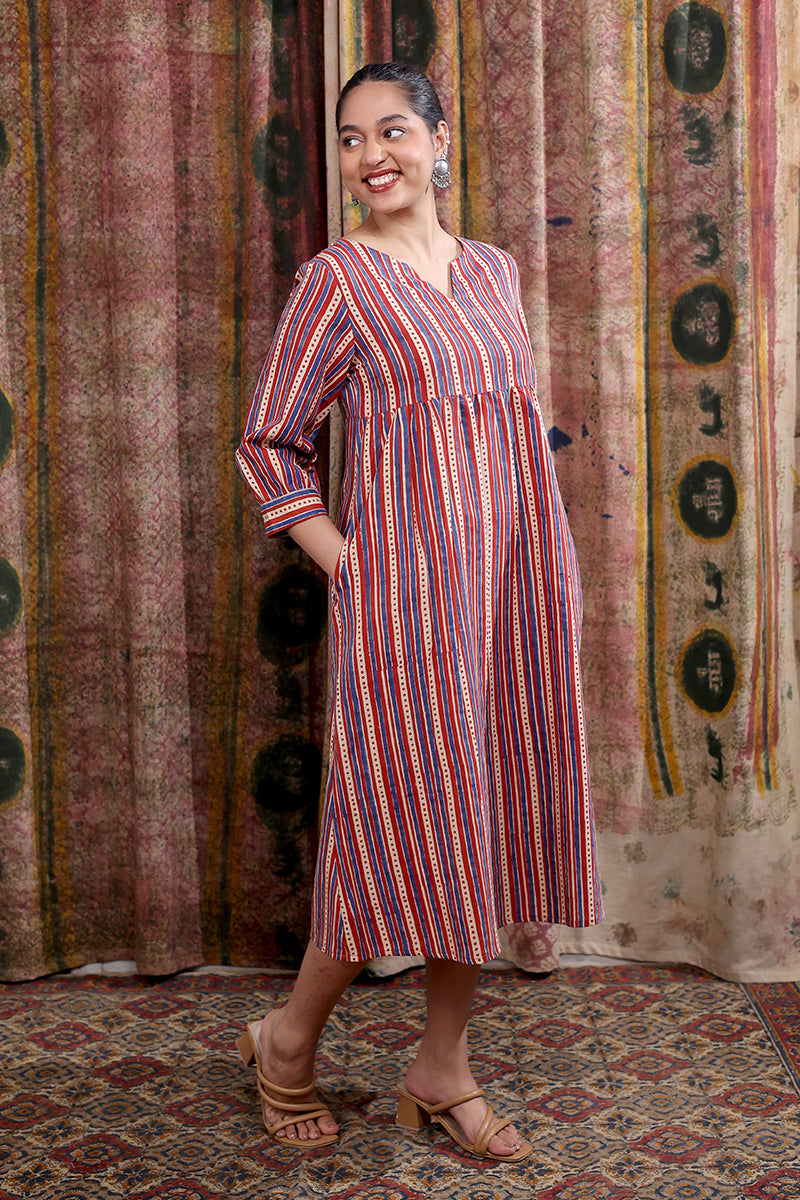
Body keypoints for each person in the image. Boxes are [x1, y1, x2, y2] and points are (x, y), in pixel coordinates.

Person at [235, 61, 602, 1162]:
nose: (370, 156)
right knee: (390, 828)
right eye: (351, 140)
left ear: (440, 142)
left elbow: (509, 431)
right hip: (405, 598)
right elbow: (269, 441)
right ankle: (287, 1042)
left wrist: (542, 566)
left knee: (479, 820)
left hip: (514, 589)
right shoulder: (337, 281)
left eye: (391, 130)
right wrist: (348, 564)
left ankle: (441, 1067)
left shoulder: (493, 270)